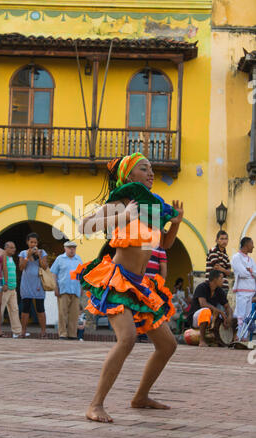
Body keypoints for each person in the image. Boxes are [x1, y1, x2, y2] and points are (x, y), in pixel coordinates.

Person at [72, 152, 183, 423]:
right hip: (117, 281)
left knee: (168, 345)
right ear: (130, 176)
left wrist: (176, 223)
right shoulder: (124, 202)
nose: (151, 172)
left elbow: (164, 245)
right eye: (144, 169)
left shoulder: (153, 208)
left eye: (151, 168)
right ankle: (95, 405)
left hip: (141, 287)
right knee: (128, 338)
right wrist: (121, 217)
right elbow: (84, 226)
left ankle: (140, 397)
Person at [189, 270, 233, 347]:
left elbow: (227, 306)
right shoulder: (202, 287)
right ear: (215, 279)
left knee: (235, 316)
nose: (223, 280)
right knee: (206, 311)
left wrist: (229, 317)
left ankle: (229, 340)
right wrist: (220, 312)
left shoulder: (219, 291)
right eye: (221, 278)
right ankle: (202, 340)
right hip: (196, 317)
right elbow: (203, 304)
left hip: (211, 317)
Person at [19, 233, 48, 339]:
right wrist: (28, 256)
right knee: (25, 308)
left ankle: (43, 332)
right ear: (27, 242)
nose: (33, 244)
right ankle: (23, 331)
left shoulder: (42, 252)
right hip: (26, 284)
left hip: (38, 284)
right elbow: (21, 267)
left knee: (40, 308)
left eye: (35, 242)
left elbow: (44, 266)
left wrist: (39, 256)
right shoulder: (23, 253)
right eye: (31, 242)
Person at [51, 241, 82, 340]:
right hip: (63, 289)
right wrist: (55, 287)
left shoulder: (79, 259)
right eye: (69, 247)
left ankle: (72, 334)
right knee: (62, 313)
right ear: (65, 248)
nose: (72, 249)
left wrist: (81, 288)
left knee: (74, 314)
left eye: (73, 247)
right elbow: (54, 274)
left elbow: (81, 275)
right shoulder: (60, 259)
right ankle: (63, 333)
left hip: (76, 289)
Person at [0, 241, 24, 339]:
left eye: (14, 248)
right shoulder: (1, 258)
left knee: (14, 310)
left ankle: (17, 332)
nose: (14, 249)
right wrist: (3, 284)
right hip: (4, 288)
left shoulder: (11, 258)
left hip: (12, 288)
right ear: (6, 248)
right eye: (11, 248)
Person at [231, 237, 256, 341]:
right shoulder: (236, 257)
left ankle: (244, 337)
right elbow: (242, 273)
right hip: (242, 291)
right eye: (252, 244)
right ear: (246, 244)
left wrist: (250, 271)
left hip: (251, 291)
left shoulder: (251, 260)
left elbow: (254, 273)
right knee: (240, 315)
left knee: (247, 315)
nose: (253, 246)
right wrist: (251, 272)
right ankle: (239, 336)